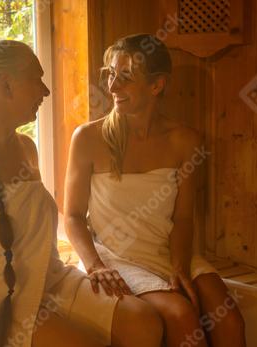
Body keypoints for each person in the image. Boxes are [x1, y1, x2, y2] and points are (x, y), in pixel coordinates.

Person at [0, 40, 163, 347]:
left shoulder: (26, 149)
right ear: (7, 86)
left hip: (50, 280)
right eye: (37, 80)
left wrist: (95, 265)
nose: (45, 92)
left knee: (144, 323)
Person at [64, 33, 246, 347]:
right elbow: (73, 215)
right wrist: (95, 265)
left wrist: (179, 268)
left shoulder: (184, 141)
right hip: (117, 255)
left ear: (156, 85)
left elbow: (183, 218)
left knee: (228, 317)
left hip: (168, 251)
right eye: (110, 75)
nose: (112, 87)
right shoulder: (88, 139)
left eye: (125, 78)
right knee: (180, 314)